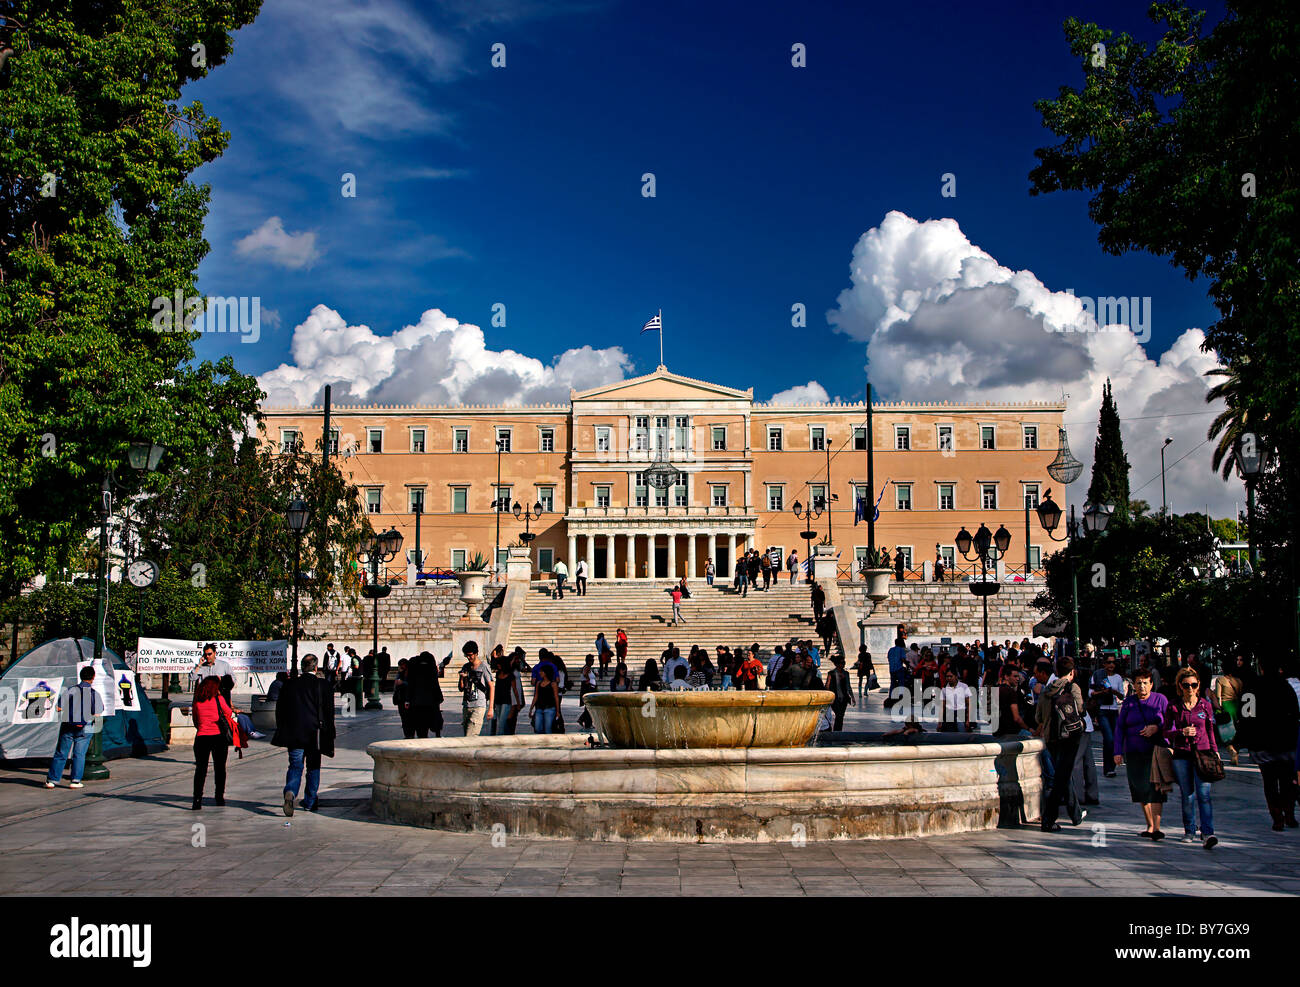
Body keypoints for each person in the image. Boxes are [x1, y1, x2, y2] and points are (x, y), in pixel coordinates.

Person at [1234, 657, 1300, 831]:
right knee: (1287, 780)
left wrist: (1241, 740)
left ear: (1261, 668)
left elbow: (1246, 715)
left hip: (1263, 743)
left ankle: (1276, 816)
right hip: (1286, 742)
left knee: (1269, 782)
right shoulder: (1286, 688)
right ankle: (1289, 813)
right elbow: (1295, 714)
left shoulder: (1253, 687)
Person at [1163, 666, 1220, 848]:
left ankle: (1208, 832)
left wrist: (1215, 750)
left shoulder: (1205, 705)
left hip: (1203, 753)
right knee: (1187, 794)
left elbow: (1211, 729)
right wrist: (1181, 732)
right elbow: (1166, 730)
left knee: (1204, 794)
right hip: (1182, 753)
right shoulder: (1174, 706)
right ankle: (1189, 829)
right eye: (1186, 685)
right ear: (1180, 686)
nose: (1190, 689)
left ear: (1198, 685)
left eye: (1194, 685)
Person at [273, 654, 335, 816]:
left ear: (302, 667)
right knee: (313, 767)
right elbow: (329, 712)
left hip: (294, 733)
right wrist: (331, 733)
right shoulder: (323, 685)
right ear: (316, 667)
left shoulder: (289, 684)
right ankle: (310, 801)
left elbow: (280, 710)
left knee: (295, 765)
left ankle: (291, 792)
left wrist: (282, 728)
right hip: (316, 734)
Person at [1114, 667, 1169, 839]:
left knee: (1156, 789)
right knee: (1140, 788)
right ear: (1134, 685)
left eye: (1145, 683)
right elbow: (1120, 728)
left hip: (1156, 751)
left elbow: (1170, 724)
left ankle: (1157, 828)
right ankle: (1149, 825)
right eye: (1139, 683)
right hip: (1134, 751)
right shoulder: (1129, 703)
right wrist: (1117, 752)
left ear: (1151, 684)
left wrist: (1156, 728)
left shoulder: (1160, 700)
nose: (1142, 687)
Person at [1037, 657, 1087, 832]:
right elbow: (1080, 709)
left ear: (1056, 672)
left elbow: (1038, 717)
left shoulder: (1047, 690)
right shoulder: (1072, 687)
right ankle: (1049, 819)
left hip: (1052, 738)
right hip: (1070, 737)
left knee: (1062, 775)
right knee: (1061, 778)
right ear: (1072, 672)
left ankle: (1075, 814)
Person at [44, 665, 104, 790]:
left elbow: (58, 708)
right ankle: (75, 781)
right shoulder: (94, 693)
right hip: (86, 726)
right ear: (93, 678)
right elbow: (97, 713)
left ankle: (52, 780)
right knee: (79, 754)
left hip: (68, 724)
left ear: (81, 676)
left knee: (61, 753)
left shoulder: (71, 690)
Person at [188, 676, 241, 809]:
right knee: (220, 768)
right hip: (218, 737)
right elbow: (228, 713)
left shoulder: (197, 702)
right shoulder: (219, 699)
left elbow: (195, 719)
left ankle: (197, 799)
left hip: (201, 737)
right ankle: (219, 797)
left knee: (200, 769)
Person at [1089, 655, 1128, 777]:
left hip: (1114, 709)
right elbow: (1091, 693)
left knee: (1115, 738)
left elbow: (1122, 696)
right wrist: (1103, 692)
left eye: (1113, 662)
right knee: (1108, 739)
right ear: (1104, 664)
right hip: (1102, 709)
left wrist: (1114, 692)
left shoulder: (1118, 678)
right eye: (1108, 662)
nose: (1111, 665)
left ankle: (1111, 766)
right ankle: (1108, 768)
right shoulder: (1098, 675)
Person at [406, 650, 448, 739]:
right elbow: (435, 686)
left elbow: (410, 686)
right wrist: (439, 698)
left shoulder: (415, 669)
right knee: (434, 722)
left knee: (421, 730)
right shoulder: (431, 670)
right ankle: (437, 735)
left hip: (417, 704)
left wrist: (408, 700)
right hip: (430, 703)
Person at [1214, 654, 1247, 765]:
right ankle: (1236, 750)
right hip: (1236, 706)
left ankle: (1231, 751)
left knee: (1225, 734)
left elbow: (1218, 697)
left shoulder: (1220, 680)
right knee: (1235, 732)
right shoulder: (1239, 681)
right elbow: (1241, 695)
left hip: (1226, 706)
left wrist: (1218, 709)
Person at [457, 642, 494, 737]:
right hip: (466, 705)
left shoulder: (484, 666)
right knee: (467, 735)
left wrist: (490, 708)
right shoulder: (465, 667)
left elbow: (491, 686)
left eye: (470, 655)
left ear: (476, 653)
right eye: (466, 655)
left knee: (471, 736)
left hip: (479, 705)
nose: (468, 658)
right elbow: (461, 688)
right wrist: (462, 678)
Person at [993, 665, 1032, 738]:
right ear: (1006, 677)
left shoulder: (995, 690)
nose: (1017, 679)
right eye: (1015, 676)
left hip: (997, 732)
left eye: (1018, 677)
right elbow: (1016, 717)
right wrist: (1029, 729)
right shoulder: (1011, 692)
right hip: (1011, 732)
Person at [492, 654, 524, 736]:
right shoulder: (498, 674)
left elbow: (515, 690)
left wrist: (518, 703)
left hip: (507, 701)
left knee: (502, 723)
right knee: (500, 721)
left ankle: (500, 738)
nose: (498, 666)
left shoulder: (510, 675)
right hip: (498, 700)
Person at [939, 666, 972, 732]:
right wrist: (940, 722)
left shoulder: (964, 686)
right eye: (947, 676)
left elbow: (969, 704)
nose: (949, 678)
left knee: (961, 732)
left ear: (956, 676)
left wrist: (968, 720)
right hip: (949, 714)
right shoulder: (944, 689)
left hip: (961, 713)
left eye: (951, 676)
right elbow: (942, 707)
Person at [826, 655, 854, 730]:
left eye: (843, 663)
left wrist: (852, 697)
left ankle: (838, 731)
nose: (842, 665)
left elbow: (849, 686)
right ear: (837, 664)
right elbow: (827, 685)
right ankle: (836, 731)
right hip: (835, 698)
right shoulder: (831, 673)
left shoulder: (846, 674)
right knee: (838, 714)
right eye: (841, 663)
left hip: (844, 698)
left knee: (841, 715)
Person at [530, 664, 560, 733]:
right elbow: (536, 696)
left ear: (546, 672)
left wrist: (558, 711)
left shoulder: (553, 684)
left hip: (550, 708)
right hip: (539, 707)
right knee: (537, 728)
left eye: (542, 671)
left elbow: (556, 697)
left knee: (548, 729)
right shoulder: (538, 683)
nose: (540, 673)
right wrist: (531, 708)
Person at [885, 636, 909, 709]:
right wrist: (907, 664)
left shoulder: (891, 650)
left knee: (892, 683)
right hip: (899, 668)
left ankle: (891, 697)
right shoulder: (901, 650)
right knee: (901, 683)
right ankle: (900, 696)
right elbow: (902, 659)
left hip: (892, 669)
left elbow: (889, 658)